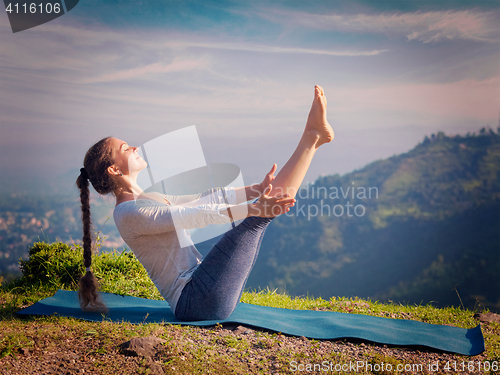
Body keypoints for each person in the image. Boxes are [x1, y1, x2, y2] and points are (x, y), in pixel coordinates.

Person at [75, 85, 334, 320]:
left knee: (261, 210)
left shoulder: (146, 199)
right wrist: (254, 207)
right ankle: (311, 139)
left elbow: (202, 199)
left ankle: (312, 138)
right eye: (124, 148)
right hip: (196, 301)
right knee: (259, 217)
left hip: (201, 290)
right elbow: (196, 215)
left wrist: (256, 189)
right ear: (113, 170)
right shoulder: (129, 213)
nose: (133, 147)